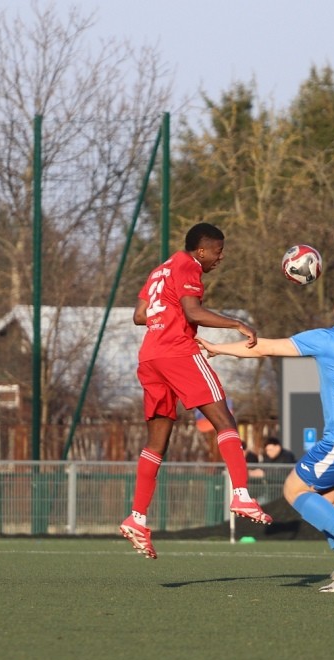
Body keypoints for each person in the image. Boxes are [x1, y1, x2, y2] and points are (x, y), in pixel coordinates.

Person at [199, 281, 334, 592]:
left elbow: (263, 347)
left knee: (294, 489)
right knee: (326, 500)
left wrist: (217, 348)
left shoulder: (328, 339)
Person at [120, 222, 272, 560]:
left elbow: (140, 315)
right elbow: (193, 311)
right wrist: (236, 323)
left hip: (150, 356)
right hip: (177, 353)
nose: (221, 257)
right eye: (218, 251)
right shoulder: (188, 266)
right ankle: (242, 494)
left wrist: (165, 318)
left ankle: (137, 517)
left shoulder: (161, 269)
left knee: (156, 441)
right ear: (201, 250)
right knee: (224, 419)